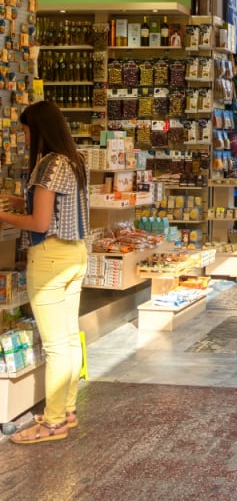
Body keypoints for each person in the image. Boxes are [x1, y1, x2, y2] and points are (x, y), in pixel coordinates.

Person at [0, 101, 90, 444]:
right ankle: (66, 411)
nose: (24, 138)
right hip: (75, 254)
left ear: (38, 130)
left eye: (25, 131)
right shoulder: (73, 160)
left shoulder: (46, 166)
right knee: (68, 339)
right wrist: (21, 201)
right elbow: (57, 207)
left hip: (49, 257)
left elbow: (40, 222)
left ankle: (53, 424)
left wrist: (6, 216)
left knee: (55, 346)